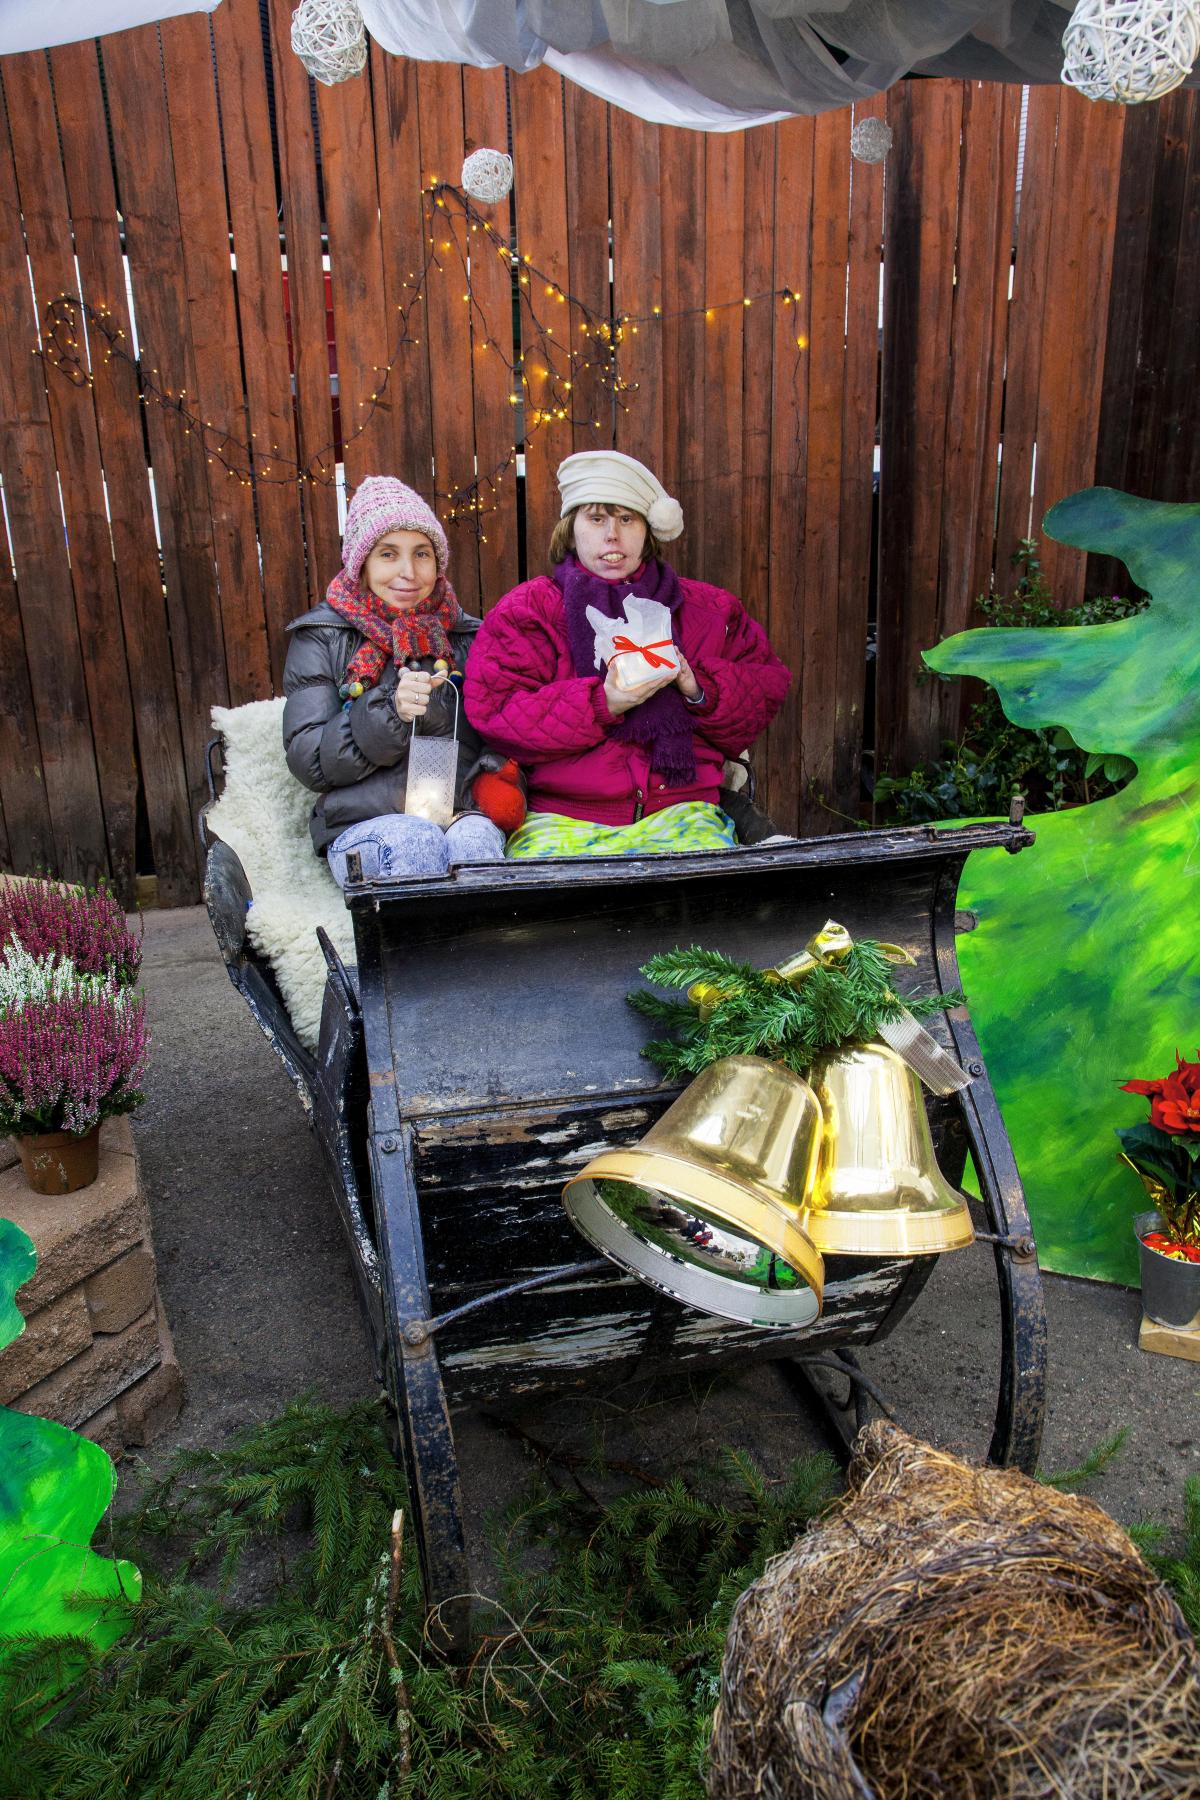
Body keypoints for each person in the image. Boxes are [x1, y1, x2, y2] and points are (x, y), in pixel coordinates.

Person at [463, 451, 791, 857]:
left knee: (703, 912)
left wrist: (698, 688)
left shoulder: (709, 610)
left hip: (683, 810)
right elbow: (496, 711)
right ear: (571, 528)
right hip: (564, 817)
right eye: (597, 519)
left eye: (627, 519)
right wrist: (602, 703)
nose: (612, 535)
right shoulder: (530, 611)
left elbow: (765, 689)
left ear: (647, 531)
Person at [282, 476, 524, 886]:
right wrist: (389, 712)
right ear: (362, 563)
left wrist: (486, 770)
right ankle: (411, 952)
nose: (408, 572)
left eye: (422, 554)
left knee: (477, 843)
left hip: (453, 813)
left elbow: (500, 737)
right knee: (415, 841)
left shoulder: (468, 638)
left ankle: (481, 951)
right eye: (389, 554)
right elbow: (309, 761)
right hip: (363, 826)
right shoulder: (323, 636)